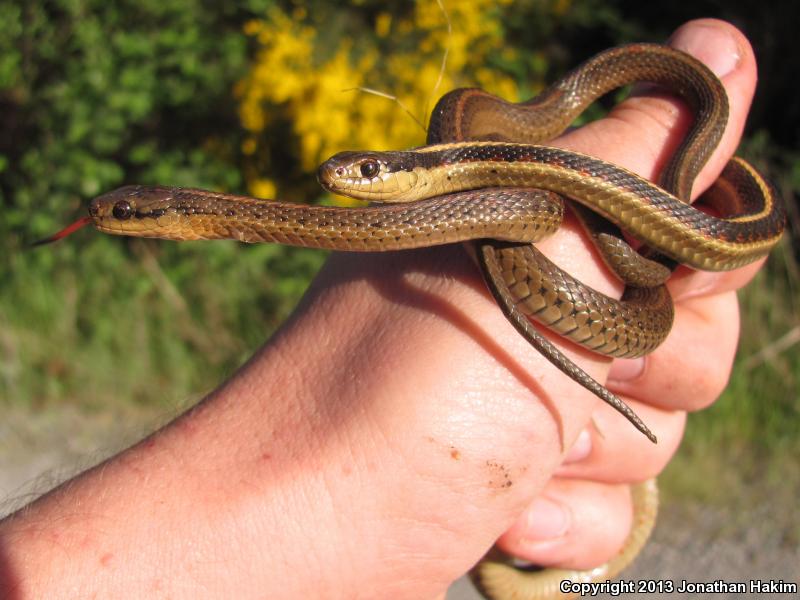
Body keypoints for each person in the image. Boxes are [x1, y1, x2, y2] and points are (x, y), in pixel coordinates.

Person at [0, 18, 766, 600]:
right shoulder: (439, 193)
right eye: (128, 215)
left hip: (601, 194)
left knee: (629, 267)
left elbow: (547, 206)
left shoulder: (478, 158)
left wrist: (650, 211)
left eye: (367, 172)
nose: (345, 179)